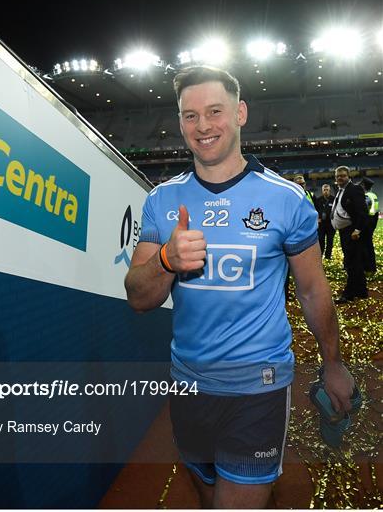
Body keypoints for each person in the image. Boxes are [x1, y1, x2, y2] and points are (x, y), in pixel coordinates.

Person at [124, 66, 355, 509]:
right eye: (190, 116)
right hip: (188, 386)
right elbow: (139, 297)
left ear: (241, 113)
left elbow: (312, 290)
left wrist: (333, 364)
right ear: (179, 123)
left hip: (258, 387)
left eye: (215, 111)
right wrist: (168, 260)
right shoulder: (162, 201)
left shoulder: (285, 199)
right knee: (209, 494)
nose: (203, 126)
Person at [331, 166, 368, 303]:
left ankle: (349, 294)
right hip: (345, 231)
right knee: (354, 261)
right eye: (337, 176)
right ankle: (362, 291)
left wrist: (357, 230)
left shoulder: (355, 189)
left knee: (351, 263)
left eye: (342, 175)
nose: (340, 178)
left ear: (349, 176)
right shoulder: (341, 190)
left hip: (351, 232)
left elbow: (362, 212)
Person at [359, 177, 379, 273]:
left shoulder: (366, 196)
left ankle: (367, 267)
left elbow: (364, 211)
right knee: (369, 245)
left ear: (363, 186)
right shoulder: (373, 195)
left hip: (367, 222)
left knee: (365, 246)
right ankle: (372, 266)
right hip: (372, 222)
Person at [315, 184, 336, 259]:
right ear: (322, 191)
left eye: (327, 190)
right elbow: (315, 211)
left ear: (330, 190)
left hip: (331, 224)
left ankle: (328, 256)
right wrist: (317, 218)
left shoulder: (334, 199)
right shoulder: (318, 200)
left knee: (330, 241)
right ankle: (320, 255)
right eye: (324, 190)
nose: (326, 191)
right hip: (321, 224)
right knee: (321, 240)